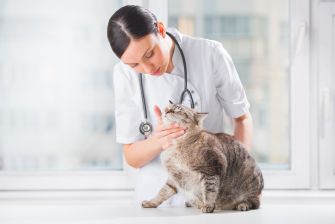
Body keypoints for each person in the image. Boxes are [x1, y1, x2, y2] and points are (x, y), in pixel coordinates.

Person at [107, 5, 253, 207]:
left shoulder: (209, 54)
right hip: (157, 202)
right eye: (135, 65)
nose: (147, 68)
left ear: (160, 29)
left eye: (149, 54)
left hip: (211, 194)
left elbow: (241, 118)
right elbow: (131, 156)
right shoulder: (123, 74)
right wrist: (158, 140)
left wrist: (239, 178)